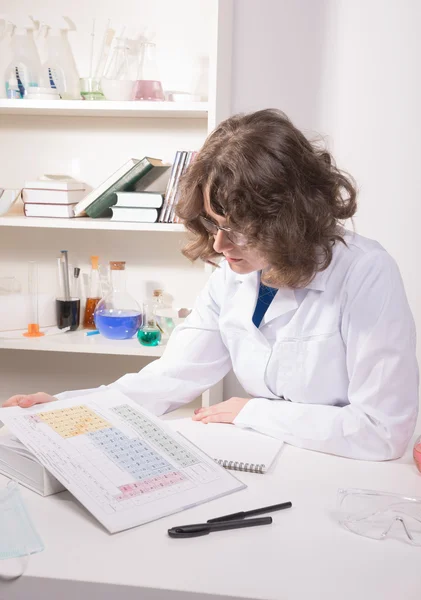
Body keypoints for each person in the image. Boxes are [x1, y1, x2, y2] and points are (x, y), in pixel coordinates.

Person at [3, 109, 419, 461]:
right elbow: (169, 378)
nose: (219, 245)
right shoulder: (233, 277)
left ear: (289, 219)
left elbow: (383, 431)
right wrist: (65, 409)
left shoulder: (366, 273)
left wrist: (251, 412)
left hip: (344, 473)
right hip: (272, 458)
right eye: (214, 225)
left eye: (238, 228)